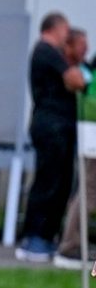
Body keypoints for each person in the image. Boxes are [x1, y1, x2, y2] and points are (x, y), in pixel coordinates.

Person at [16, 12, 85, 262]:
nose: (67, 35)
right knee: (49, 182)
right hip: (50, 127)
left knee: (63, 182)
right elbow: (75, 80)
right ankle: (35, 237)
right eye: (65, 30)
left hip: (61, 128)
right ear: (54, 29)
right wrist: (80, 73)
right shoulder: (47, 51)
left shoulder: (52, 54)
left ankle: (47, 236)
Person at [56, 28, 94, 269]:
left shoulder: (87, 69)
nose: (85, 49)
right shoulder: (82, 72)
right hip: (91, 134)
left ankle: (72, 243)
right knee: (89, 191)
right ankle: (70, 245)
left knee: (88, 190)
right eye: (81, 45)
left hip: (89, 133)